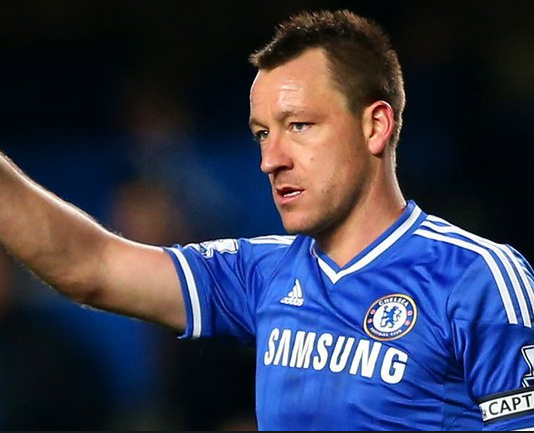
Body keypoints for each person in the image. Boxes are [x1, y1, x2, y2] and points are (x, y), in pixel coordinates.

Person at [0, 8, 533, 431]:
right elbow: (91, 266)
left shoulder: (477, 278)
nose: (270, 159)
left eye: (298, 125)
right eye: (262, 133)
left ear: (375, 126)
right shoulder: (261, 273)